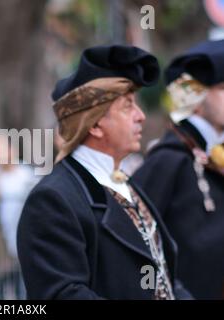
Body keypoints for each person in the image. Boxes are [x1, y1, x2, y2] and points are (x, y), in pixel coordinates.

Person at [17, 45, 192, 299]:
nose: (141, 116)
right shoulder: (54, 199)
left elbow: (164, 277)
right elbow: (64, 294)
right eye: (127, 106)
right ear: (96, 123)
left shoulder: (127, 185)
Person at [133, 39, 224, 299]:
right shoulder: (168, 160)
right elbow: (136, 244)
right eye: (223, 87)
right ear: (196, 96)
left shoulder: (215, 154)